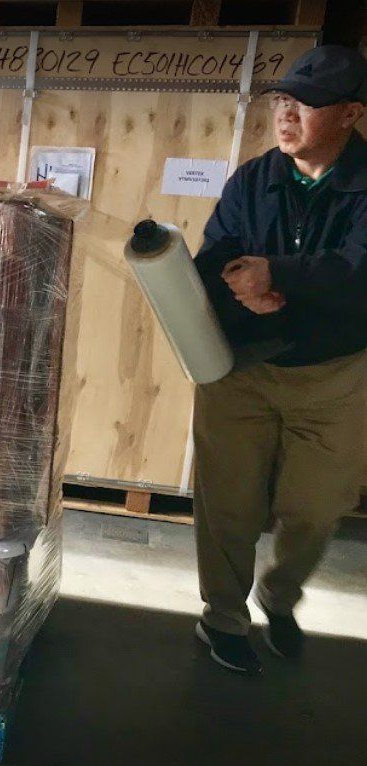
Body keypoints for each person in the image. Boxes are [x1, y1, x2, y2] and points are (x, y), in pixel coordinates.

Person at [192, 44, 367, 675]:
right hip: (240, 372)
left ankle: (280, 595)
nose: (287, 114)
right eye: (281, 99)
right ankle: (222, 617)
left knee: (317, 506)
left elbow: (358, 272)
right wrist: (245, 292)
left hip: (334, 376)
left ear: (350, 114)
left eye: (308, 103)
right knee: (226, 503)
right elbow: (214, 261)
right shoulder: (255, 179)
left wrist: (281, 277)